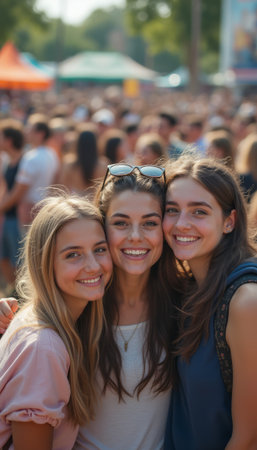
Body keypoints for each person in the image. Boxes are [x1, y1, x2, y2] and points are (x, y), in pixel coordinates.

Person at [0, 192, 112, 449]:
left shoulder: (49, 320)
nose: (93, 266)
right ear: (44, 263)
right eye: (73, 254)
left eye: (99, 249)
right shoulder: (44, 347)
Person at [74, 164, 174, 449]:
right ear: (101, 227)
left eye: (150, 223)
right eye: (120, 223)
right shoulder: (79, 302)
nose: (135, 236)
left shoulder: (185, 303)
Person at [162, 156, 257, 450]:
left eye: (199, 212)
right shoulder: (188, 286)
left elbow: (248, 437)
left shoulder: (245, 302)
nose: (181, 224)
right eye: (172, 210)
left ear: (229, 221)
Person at [0, 119, 24, 289]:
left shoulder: (24, 161)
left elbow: (15, 195)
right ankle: (13, 291)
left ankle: (18, 294)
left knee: (18, 261)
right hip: (7, 218)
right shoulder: (8, 162)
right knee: (4, 258)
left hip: (17, 219)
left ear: (9, 140)